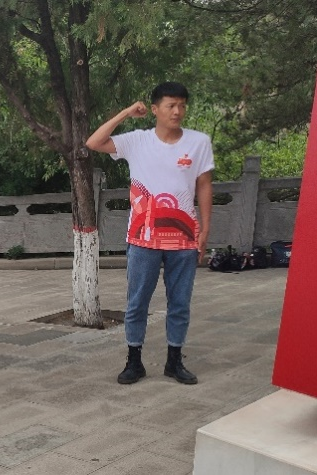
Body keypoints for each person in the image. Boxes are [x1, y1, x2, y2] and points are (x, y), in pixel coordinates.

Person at [85, 81, 213, 386]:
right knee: (137, 302)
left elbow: (204, 185)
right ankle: (134, 361)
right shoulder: (137, 141)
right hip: (142, 239)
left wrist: (205, 228)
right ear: (155, 109)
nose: (177, 111)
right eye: (171, 105)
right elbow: (93, 142)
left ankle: (174, 361)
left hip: (184, 239)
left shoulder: (199, 142)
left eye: (182, 105)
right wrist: (126, 113)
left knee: (180, 302)